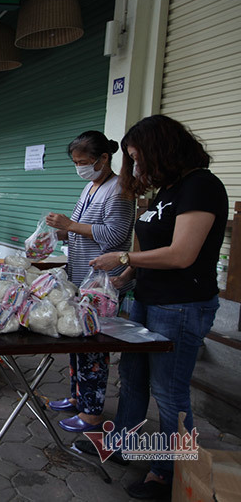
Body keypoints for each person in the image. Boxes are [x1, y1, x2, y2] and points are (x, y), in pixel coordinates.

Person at [90, 115, 228, 500]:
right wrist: (126, 276)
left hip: (183, 306)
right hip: (148, 299)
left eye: (137, 158)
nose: (136, 167)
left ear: (160, 150)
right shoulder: (169, 190)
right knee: (132, 377)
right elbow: (151, 250)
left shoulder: (201, 186)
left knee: (170, 391)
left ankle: (167, 472)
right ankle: (122, 443)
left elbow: (182, 254)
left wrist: (124, 257)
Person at [44, 131, 134, 432]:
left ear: (104, 158)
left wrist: (70, 225)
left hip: (101, 285)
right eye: (76, 163)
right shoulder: (91, 187)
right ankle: (77, 397)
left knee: (93, 346)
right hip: (81, 277)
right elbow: (80, 228)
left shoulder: (119, 189)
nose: (79, 167)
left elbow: (115, 236)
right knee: (76, 340)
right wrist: (57, 233)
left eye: (84, 162)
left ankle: (92, 412)